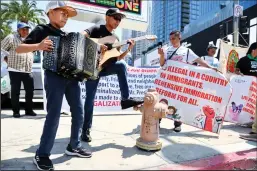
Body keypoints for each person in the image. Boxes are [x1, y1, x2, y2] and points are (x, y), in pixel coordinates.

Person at [16, 1, 92, 170]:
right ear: (50, 12)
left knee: (79, 112)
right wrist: (38, 46)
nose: (66, 17)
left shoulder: (66, 34)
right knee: (54, 115)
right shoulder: (42, 29)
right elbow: (19, 48)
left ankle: (74, 146)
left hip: (71, 78)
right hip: (54, 76)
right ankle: (42, 154)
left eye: (67, 15)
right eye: (62, 13)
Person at [81, 8, 144, 142]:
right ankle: (85, 130)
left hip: (106, 67)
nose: (118, 21)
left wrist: (128, 49)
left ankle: (125, 99)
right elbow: (81, 36)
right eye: (115, 18)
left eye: (119, 19)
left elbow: (118, 58)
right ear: (107, 17)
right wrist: (97, 46)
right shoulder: (97, 29)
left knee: (121, 66)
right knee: (89, 100)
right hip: (92, 68)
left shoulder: (116, 38)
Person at [158, 30, 218, 132]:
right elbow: (162, 64)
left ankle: (177, 124)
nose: (172, 41)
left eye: (174, 38)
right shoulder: (166, 50)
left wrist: (210, 67)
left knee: (179, 104)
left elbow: (198, 60)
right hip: (167, 81)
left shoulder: (186, 51)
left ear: (179, 38)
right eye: (170, 39)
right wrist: (162, 55)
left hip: (180, 82)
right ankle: (157, 121)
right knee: (163, 101)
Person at [1, 22, 36, 118]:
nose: (25, 31)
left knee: (30, 91)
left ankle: (29, 110)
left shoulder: (30, 39)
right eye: (23, 29)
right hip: (14, 69)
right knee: (15, 92)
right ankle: (16, 112)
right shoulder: (11, 37)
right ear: (18, 30)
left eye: (27, 29)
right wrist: (6, 59)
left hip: (28, 69)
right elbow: (2, 48)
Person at [236, 42, 257, 142]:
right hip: (247, 87)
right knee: (248, 104)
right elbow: (236, 70)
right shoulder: (243, 60)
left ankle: (254, 128)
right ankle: (251, 123)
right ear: (253, 50)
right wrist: (239, 73)